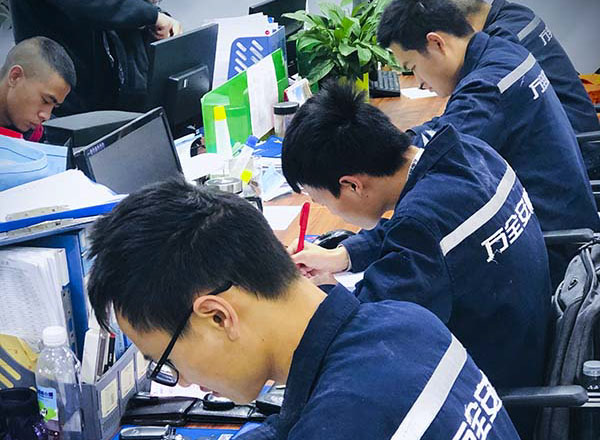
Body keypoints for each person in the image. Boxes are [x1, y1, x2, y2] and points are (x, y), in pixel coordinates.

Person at [87, 179, 521, 440]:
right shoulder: (404, 321)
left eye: (166, 361)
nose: (182, 382)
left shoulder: (344, 421)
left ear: (218, 316)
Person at [282, 82, 549, 437]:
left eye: (321, 200)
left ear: (352, 185)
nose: (325, 209)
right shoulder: (468, 153)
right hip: (527, 343)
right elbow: (426, 225)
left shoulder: (421, 229)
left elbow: (365, 334)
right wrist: (342, 255)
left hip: (488, 396)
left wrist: (317, 294)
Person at [376, 0, 600, 289]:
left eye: (413, 67)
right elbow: (451, 129)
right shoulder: (503, 50)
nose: (419, 80)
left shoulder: (490, 86)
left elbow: (435, 158)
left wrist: (355, 248)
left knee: (416, 279)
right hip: (563, 224)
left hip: (558, 259)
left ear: (436, 43)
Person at [451, 0, 600, 178]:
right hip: (579, 132)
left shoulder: (503, 43)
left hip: (578, 156)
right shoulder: (514, 13)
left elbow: (474, 122)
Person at [9, 0, 182, 116]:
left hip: (101, 83)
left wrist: (153, 16)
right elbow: (90, 5)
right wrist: (151, 16)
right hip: (58, 85)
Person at [0, 37, 75, 142]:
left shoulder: (44, 131)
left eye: (54, 106)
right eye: (45, 101)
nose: (46, 116)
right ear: (15, 77)